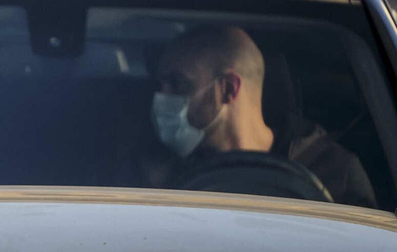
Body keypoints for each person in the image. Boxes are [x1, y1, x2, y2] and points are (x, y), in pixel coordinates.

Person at [150, 25, 376, 207]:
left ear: (228, 89)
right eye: (161, 85)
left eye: (178, 84)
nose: (161, 98)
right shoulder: (163, 173)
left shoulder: (334, 171)